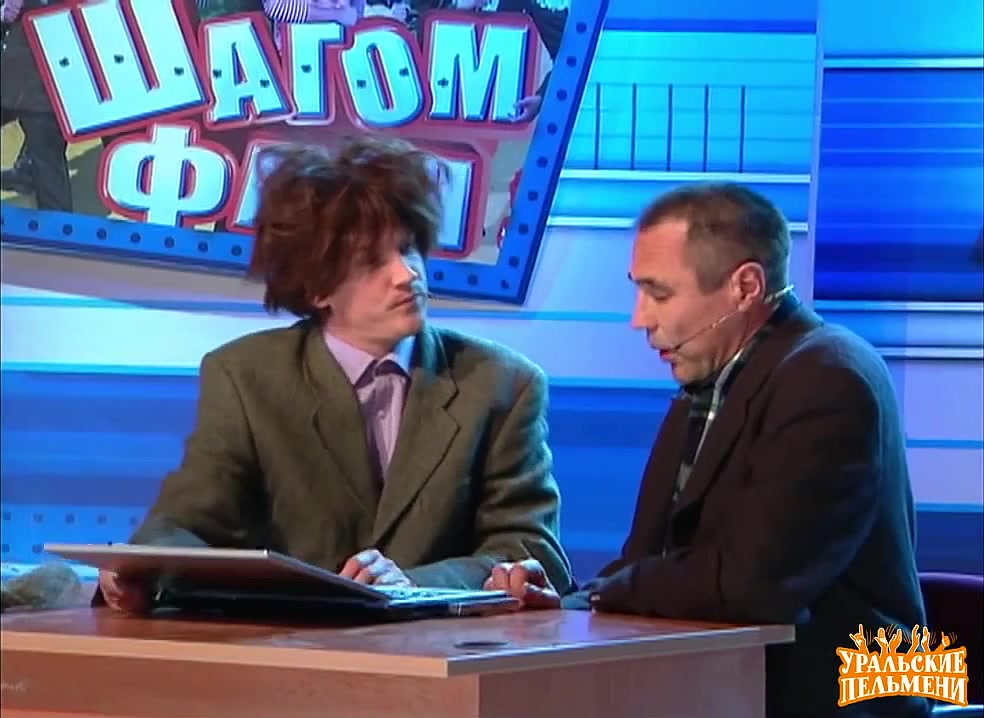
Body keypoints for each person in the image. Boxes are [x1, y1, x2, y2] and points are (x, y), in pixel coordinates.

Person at [483, 183, 929, 718]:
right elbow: (649, 563)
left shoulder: (829, 378)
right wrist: (564, 605)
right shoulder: (710, 379)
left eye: (659, 294)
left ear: (745, 287)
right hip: (720, 684)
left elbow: (751, 585)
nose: (640, 319)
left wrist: (602, 596)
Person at [96, 135, 573, 612]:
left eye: (407, 249)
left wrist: (414, 585)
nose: (407, 274)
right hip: (290, 643)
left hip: (446, 645)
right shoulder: (245, 378)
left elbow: (531, 549)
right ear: (318, 288)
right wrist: (140, 570)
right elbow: (184, 524)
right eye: (373, 262)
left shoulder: (501, 384)